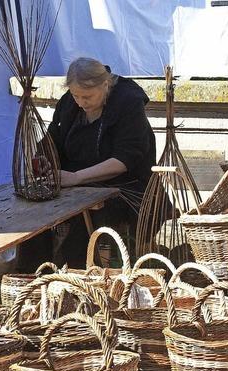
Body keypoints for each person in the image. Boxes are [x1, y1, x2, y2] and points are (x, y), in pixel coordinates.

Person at [18, 57, 158, 270]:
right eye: (76, 96)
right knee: (35, 213)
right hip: (74, 184)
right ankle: (32, 277)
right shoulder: (70, 103)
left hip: (123, 187)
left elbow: (126, 159)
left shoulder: (128, 102)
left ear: (105, 84)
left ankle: (77, 280)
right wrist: (45, 159)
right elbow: (52, 138)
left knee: (81, 217)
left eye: (87, 96)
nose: (81, 102)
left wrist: (76, 178)